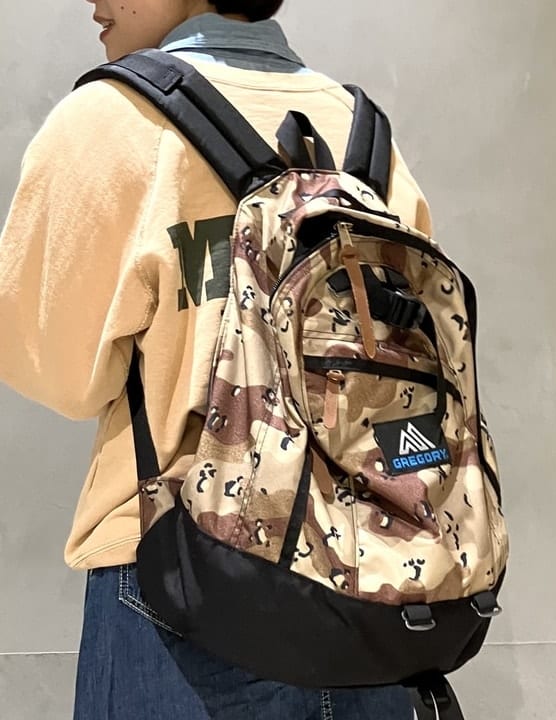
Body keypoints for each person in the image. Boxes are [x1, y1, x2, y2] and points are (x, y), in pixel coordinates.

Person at [0, 1, 433, 718]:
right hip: (372, 588)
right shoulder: (362, 132)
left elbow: (57, 372)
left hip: (186, 578)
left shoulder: (110, 122)